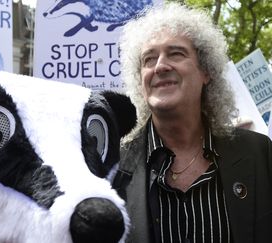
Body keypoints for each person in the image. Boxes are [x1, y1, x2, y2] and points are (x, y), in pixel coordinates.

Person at [112, 3, 272, 243]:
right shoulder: (112, 167)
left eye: (176, 53)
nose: (160, 66)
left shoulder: (260, 153)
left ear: (206, 72)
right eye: (149, 59)